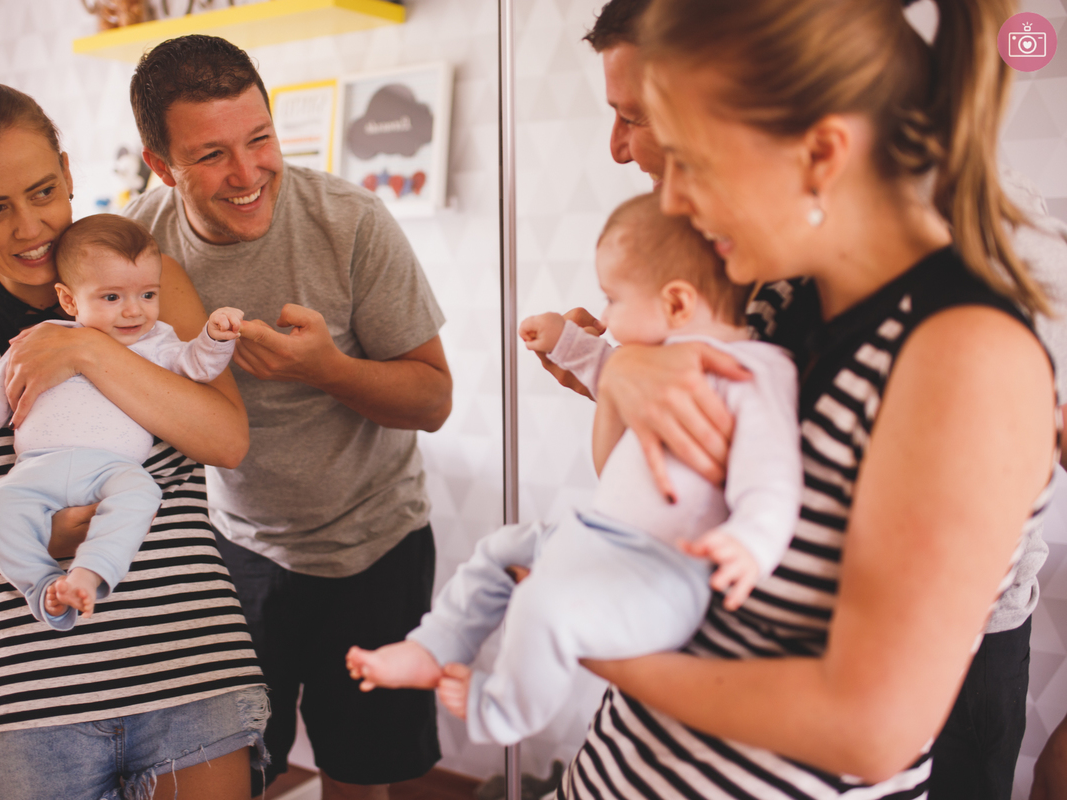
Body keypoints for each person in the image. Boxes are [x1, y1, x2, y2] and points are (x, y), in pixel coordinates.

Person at [547, 0, 1059, 797]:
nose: (672, 201)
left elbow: (869, 729)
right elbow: (674, 493)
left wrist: (584, 638)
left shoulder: (966, 353)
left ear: (820, 154)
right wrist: (622, 374)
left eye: (693, 161)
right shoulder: (780, 296)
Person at [0, 83, 266, 800]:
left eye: (42, 191)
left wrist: (88, 351)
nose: (29, 226)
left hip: (186, 657)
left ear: (67, 174)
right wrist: (43, 538)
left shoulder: (148, 284)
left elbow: (226, 441)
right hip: (23, 686)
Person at [123, 35, 452, 800]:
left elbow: (434, 399)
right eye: (212, 155)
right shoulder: (137, 248)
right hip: (231, 552)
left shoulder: (351, 221)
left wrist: (326, 369)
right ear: (161, 166)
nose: (247, 175)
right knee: (235, 773)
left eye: (260, 139)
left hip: (374, 545)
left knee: (358, 775)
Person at [345, 195, 801, 747]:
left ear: (677, 303)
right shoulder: (662, 358)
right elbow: (611, 373)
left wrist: (750, 544)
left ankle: (499, 711)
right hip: (596, 537)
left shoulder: (754, 373)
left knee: (543, 604)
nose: (605, 315)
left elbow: (773, 477)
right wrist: (564, 341)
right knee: (501, 549)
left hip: (661, 570)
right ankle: (433, 647)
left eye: (613, 299)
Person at [0, 214, 244, 631]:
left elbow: (197, 365)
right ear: (69, 301)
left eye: (148, 294)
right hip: (35, 470)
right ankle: (42, 585)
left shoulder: (157, 341)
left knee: (141, 495)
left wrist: (215, 337)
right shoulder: (35, 342)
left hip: (113, 468)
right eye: (112, 297)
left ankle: (90, 573)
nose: (134, 310)